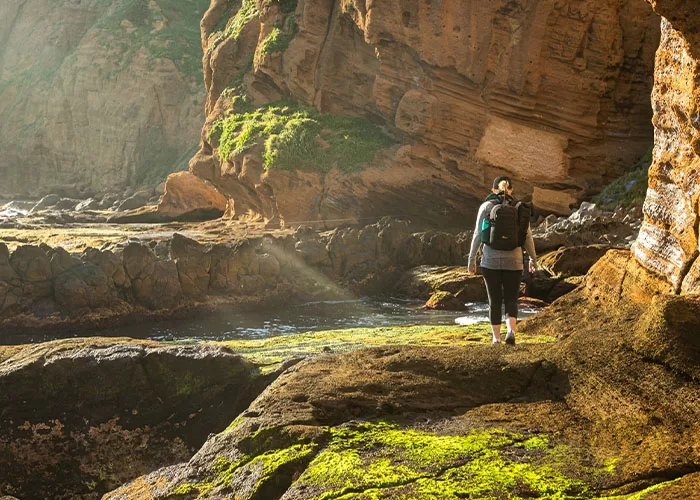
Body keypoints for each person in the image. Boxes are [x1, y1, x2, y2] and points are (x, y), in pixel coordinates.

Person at [467, 176, 538, 345]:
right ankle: (511, 332)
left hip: (490, 261)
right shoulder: (519, 208)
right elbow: (528, 237)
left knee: (495, 300)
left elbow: (478, 234)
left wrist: (471, 260)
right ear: (511, 190)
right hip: (514, 261)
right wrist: (534, 261)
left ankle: (496, 338)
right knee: (511, 299)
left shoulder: (486, 206)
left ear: (493, 190)